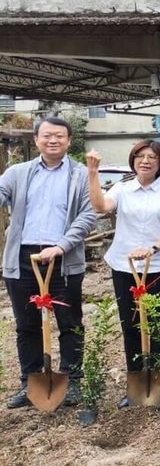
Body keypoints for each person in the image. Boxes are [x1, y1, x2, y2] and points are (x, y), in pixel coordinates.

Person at [1, 116, 96, 409]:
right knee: (26, 324)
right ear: (36, 140)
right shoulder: (17, 172)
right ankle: (30, 382)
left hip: (63, 260)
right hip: (23, 258)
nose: (52, 141)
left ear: (69, 140)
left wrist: (61, 246)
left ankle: (73, 381)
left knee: (70, 322)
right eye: (46, 136)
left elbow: (89, 215)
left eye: (59, 136)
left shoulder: (81, 174)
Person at [86, 141, 160, 408]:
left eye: (152, 157)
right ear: (133, 161)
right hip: (124, 265)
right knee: (130, 325)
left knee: (158, 324)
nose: (146, 161)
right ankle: (136, 387)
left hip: (158, 266)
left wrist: (153, 248)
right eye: (140, 156)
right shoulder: (122, 188)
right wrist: (92, 173)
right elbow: (99, 206)